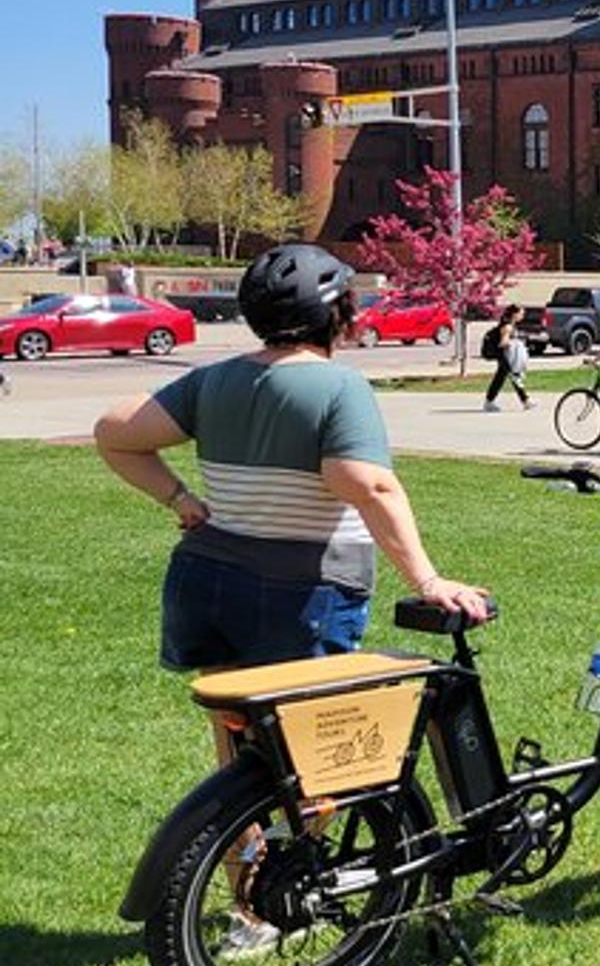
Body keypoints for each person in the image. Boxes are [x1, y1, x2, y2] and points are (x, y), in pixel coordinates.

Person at [93, 244, 492, 669]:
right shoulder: (340, 387)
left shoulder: (210, 380)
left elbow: (114, 433)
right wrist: (427, 580)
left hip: (206, 579)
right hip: (303, 591)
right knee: (307, 728)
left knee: (239, 721)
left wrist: (179, 498)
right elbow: (368, 486)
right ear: (337, 314)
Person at [482, 304, 533, 412]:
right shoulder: (507, 326)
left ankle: (489, 401)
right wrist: (514, 343)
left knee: (500, 378)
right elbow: (503, 343)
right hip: (501, 354)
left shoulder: (510, 325)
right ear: (514, 315)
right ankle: (526, 401)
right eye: (521, 313)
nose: (523, 315)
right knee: (513, 376)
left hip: (503, 354)